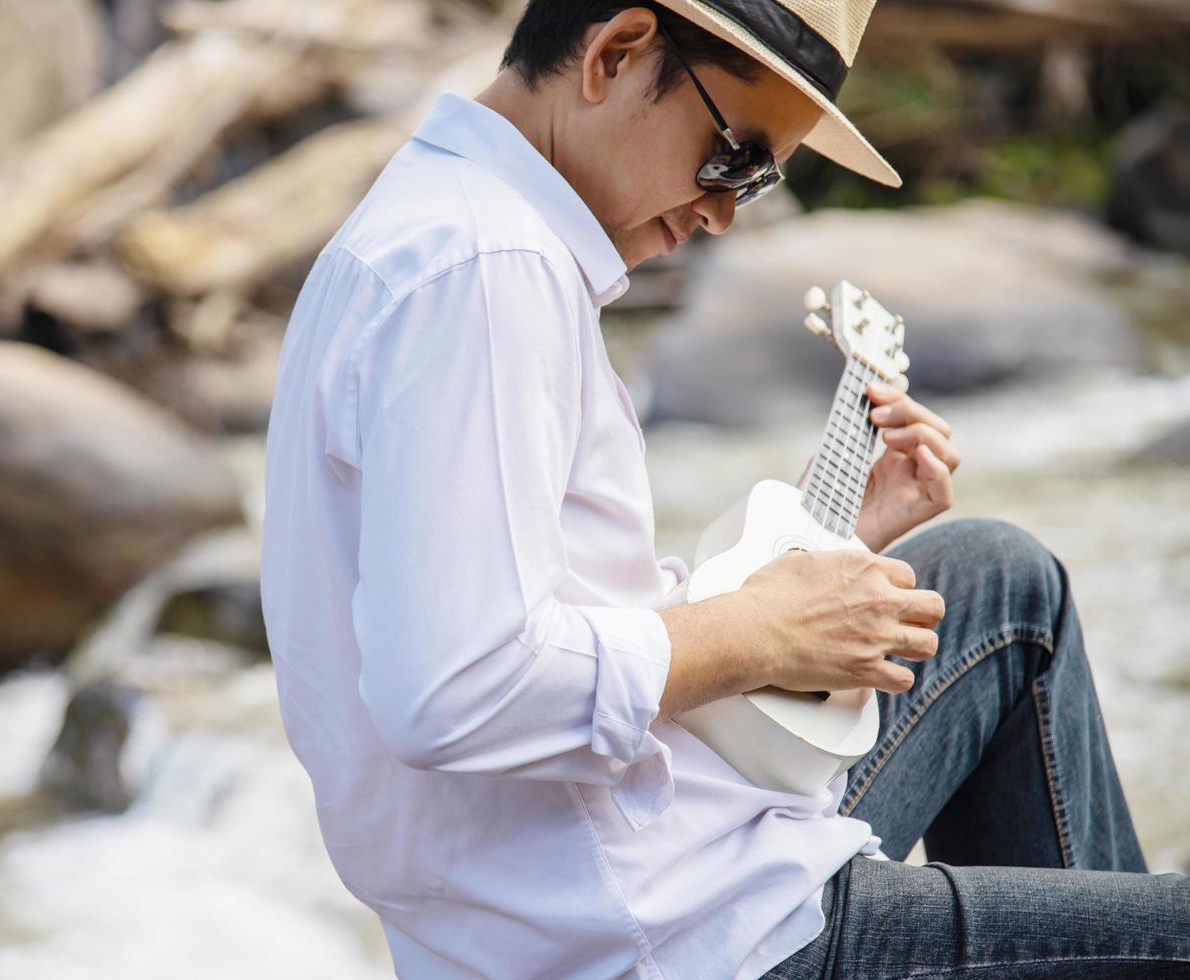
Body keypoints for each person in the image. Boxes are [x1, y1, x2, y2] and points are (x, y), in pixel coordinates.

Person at [259, 1, 1190, 976]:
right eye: (732, 155)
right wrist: (759, 630)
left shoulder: (438, 225)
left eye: (761, 177)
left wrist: (824, 547)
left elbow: (549, 612)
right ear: (616, 53)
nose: (722, 211)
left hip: (602, 878)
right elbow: (458, 686)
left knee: (996, 582)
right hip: (652, 933)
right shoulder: (487, 272)